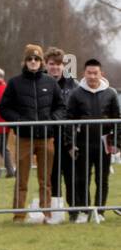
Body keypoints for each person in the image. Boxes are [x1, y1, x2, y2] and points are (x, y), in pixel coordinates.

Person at [0, 44, 66, 218]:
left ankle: (47, 213)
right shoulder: (14, 83)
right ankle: (19, 215)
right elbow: (4, 108)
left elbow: (61, 106)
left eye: (37, 59)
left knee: (46, 180)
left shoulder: (50, 82)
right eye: (30, 59)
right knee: (21, 179)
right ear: (25, 61)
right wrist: (18, 121)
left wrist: (53, 121)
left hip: (46, 138)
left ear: (42, 62)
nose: (33, 62)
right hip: (24, 138)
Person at [65, 58, 120, 222]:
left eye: (95, 73)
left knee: (102, 179)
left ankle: (100, 212)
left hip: (104, 144)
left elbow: (117, 119)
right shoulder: (76, 93)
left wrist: (117, 142)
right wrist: (70, 143)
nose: (92, 76)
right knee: (82, 178)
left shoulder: (110, 93)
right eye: (89, 73)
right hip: (83, 144)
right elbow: (68, 121)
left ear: (101, 74)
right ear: (84, 73)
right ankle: (84, 211)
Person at [44, 47, 78, 216]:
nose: (55, 67)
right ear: (46, 65)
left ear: (63, 66)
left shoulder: (73, 85)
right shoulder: (40, 83)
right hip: (48, 137)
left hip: (69, 137)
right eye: (52, 64)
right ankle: (56, 211)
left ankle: (73, 211)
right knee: (52, 176)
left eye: (58, 64)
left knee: (71, 176)